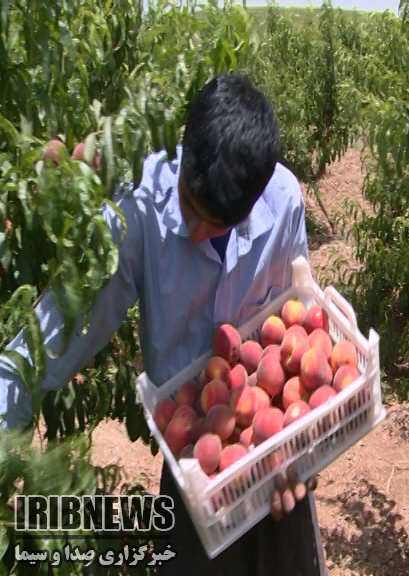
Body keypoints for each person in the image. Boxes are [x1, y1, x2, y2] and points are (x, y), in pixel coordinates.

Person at [0, 74, 325, 576]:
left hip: (269, 449)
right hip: (194, 462)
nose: (194, 232)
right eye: (189, 208)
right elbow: (58, 327)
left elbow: (298, 327)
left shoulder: (282, 202)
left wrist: (302, 448)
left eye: (214, 223)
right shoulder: (140, 207)